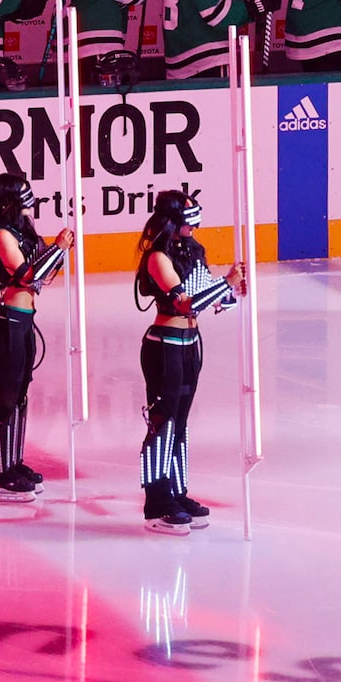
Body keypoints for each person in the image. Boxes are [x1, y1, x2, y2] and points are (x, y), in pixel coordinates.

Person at [131, 187, 242, 535]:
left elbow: (206, 295)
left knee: (180, 422)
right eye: (188, 217)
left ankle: (177, 492)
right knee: (163, 422)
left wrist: (229, 294)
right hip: (164, 344)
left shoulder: (193, 251)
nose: (195, 225)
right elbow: (184, 303)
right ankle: (156, 501)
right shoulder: (157, 258)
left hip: (190, 343)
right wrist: (224, 284)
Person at [0, 170, 68, 500]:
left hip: (25, 319)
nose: (32, 199)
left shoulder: (22, 231)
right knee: (6, 394)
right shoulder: (1, 235)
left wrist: (55, 252)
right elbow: (28, 275)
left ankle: (11, 460)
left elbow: (45, 273)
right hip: (9, 320)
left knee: (21, 392)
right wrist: (57, 249)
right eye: (25, 194)